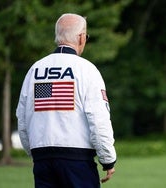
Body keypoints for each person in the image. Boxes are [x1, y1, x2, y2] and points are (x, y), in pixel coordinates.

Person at [16, 13, 116, 188]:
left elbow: (23, 118)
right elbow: (98, 120)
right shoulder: (87, 70)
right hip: (77, 160)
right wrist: (108, 159)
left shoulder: (35, 70)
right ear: (81, 37)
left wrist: (34, 154)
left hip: (43, 159)